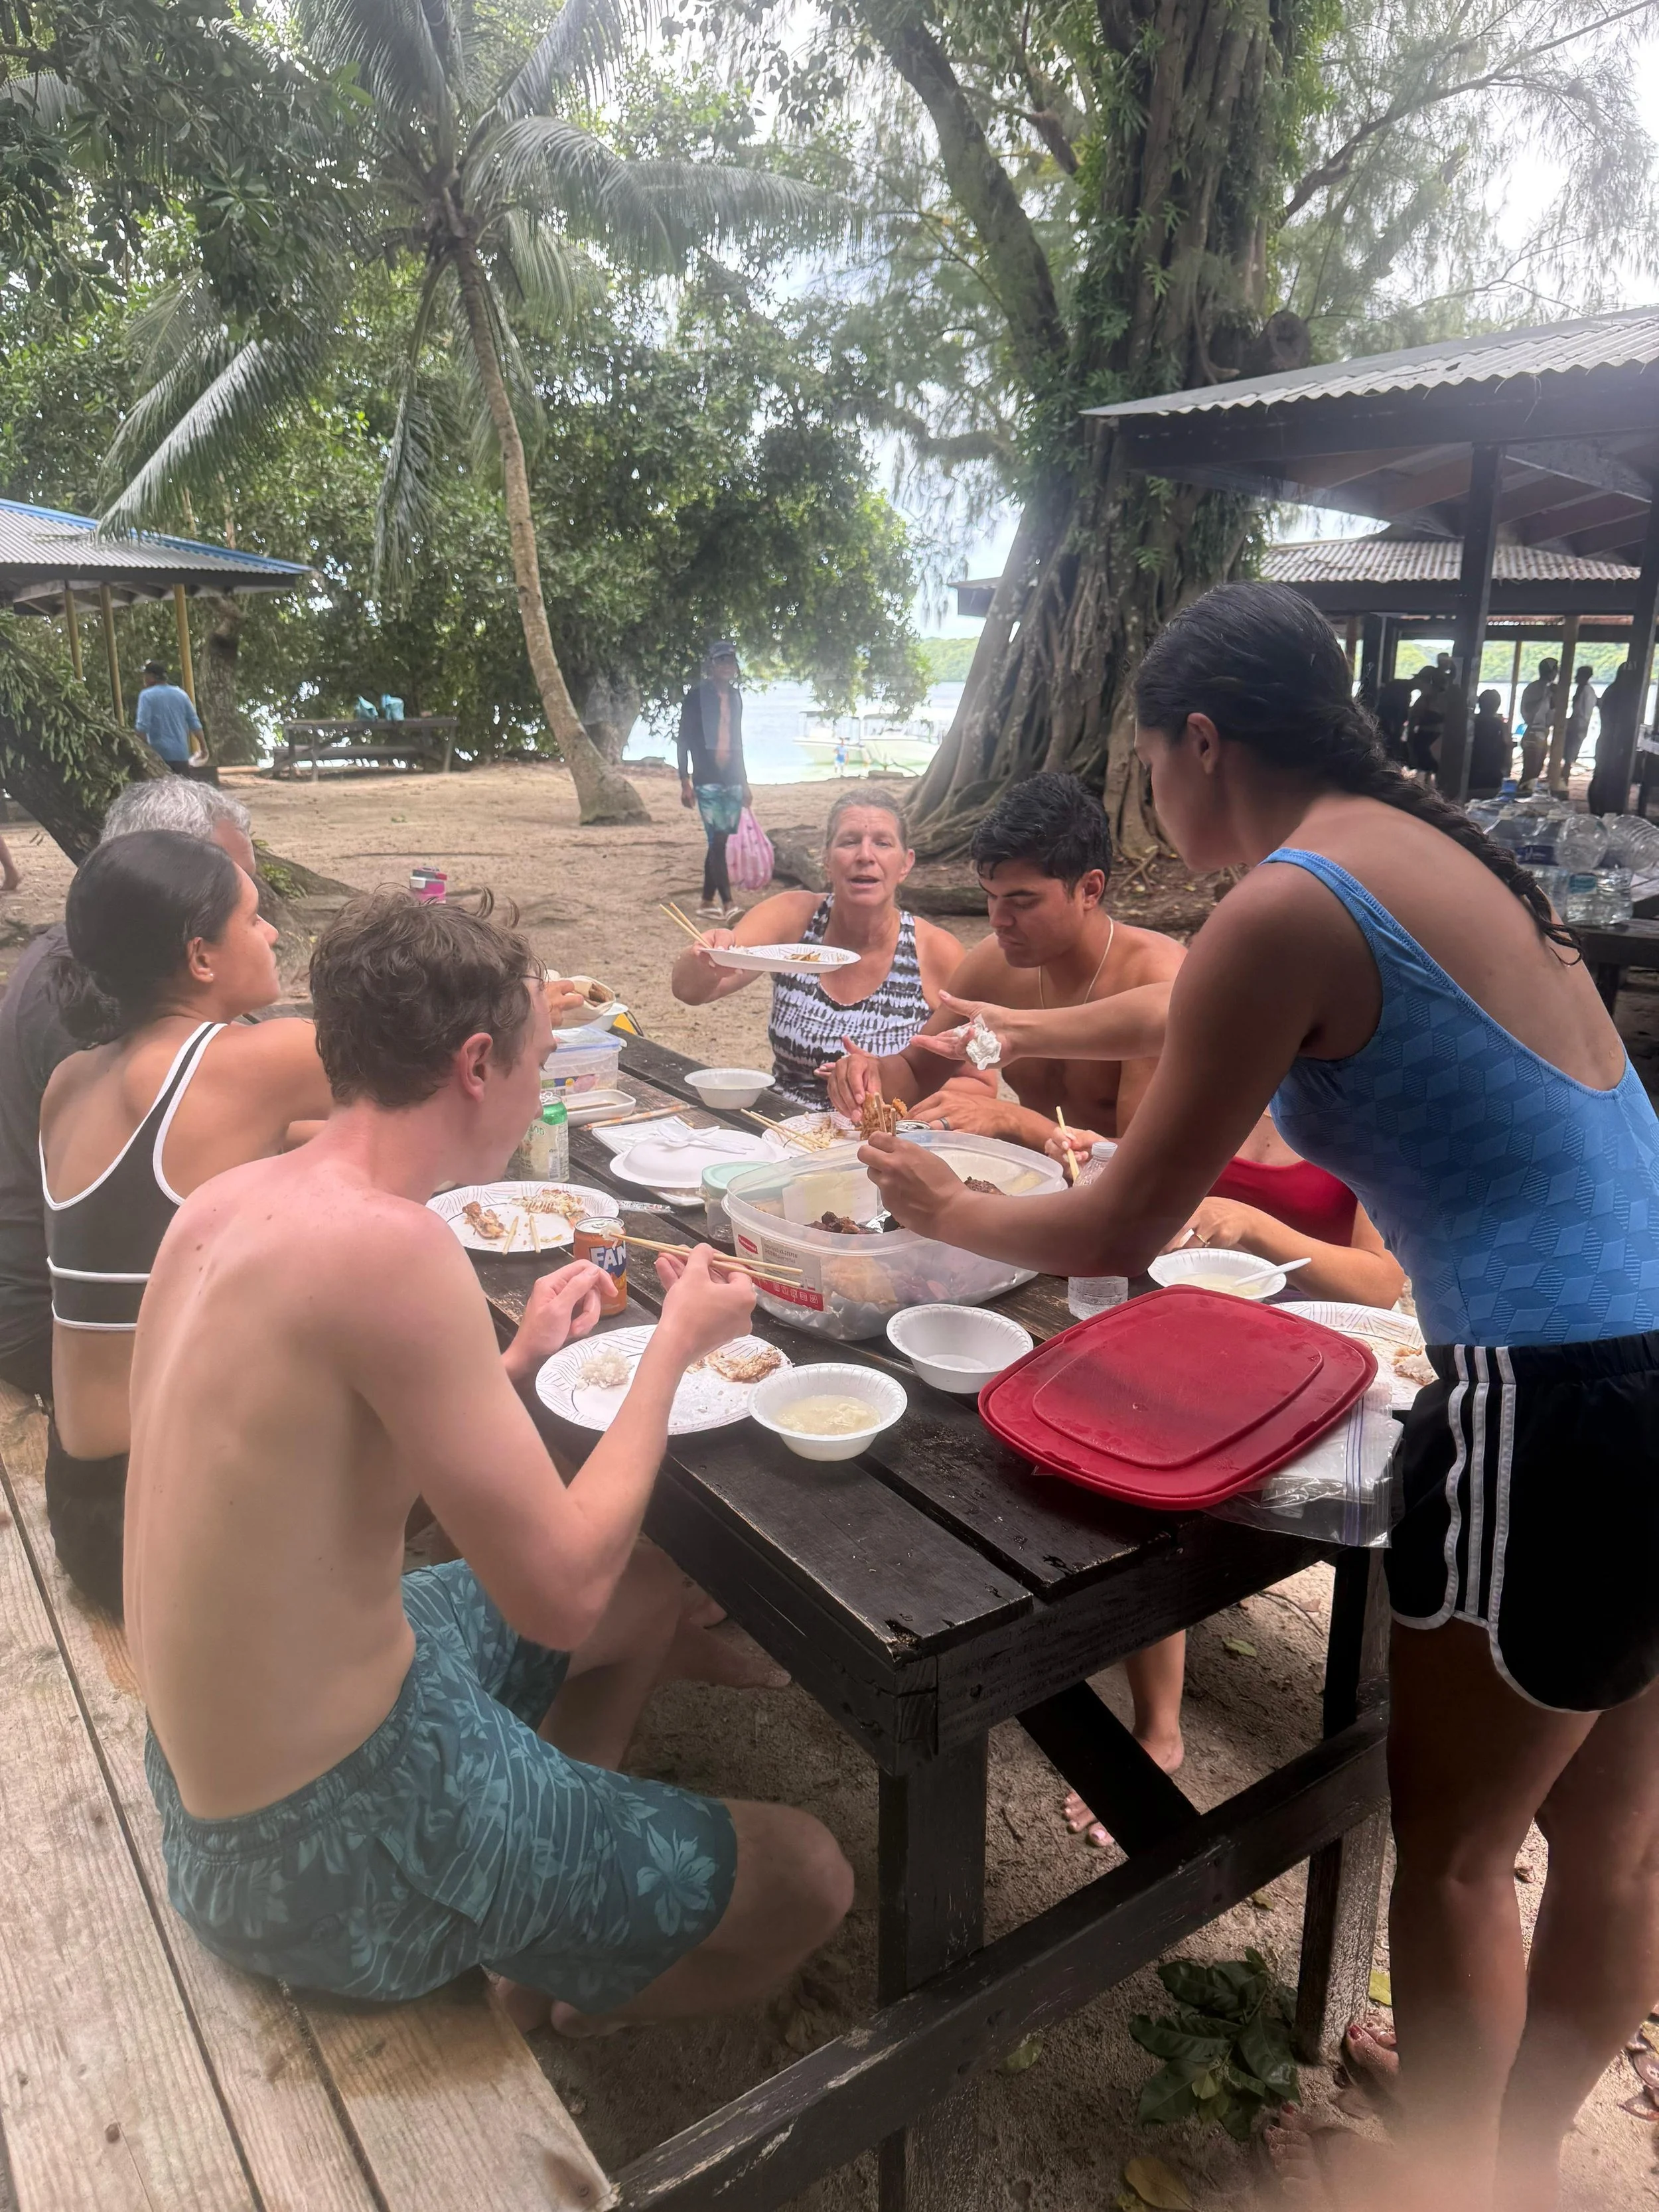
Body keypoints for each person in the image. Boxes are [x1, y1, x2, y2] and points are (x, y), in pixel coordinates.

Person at [858, 580, 1659, 2212]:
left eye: (1152, 764)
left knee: (1446, 1862)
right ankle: (1507, 2156)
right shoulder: (1413, 854)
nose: (1154, 795)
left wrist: (940, 1212)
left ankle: (1455, 2188)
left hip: (1565, 1404)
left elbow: (1116, 1222)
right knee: (1614, 1847)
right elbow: (1164, 1007)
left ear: (1200, 743)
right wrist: (987, 1045)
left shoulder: (1289, 903)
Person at [128, 892, 852, 2035]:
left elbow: (318, 1471)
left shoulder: (228, 1203)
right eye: (537, 1056)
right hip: (322, 1842)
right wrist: (673, 1345)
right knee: (810, 1873)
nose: (538, 1081)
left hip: (213, 1775)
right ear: (477, 1061)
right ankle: (555, 1989)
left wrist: (507, 1362)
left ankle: (546, 1914)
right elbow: (556, 1597)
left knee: (649, 1587)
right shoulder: (392, 1248)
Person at [38, 831, 332, 1611]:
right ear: (201, 957)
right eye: (254, 917)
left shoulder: (74, 1078)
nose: (271, 933)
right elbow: (422, 1080)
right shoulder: (253, 1061)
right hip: (165, 1516)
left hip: (83, 1498)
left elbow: (269, 1138)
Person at [0, 779, 260, 1406]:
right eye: (243, 903)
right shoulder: (93, 1007)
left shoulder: (94, 963)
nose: (266, 922)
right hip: (56, 1326)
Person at [822, 773, 1185, 1148]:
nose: (998, 920)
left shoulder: (1157, 983)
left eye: (1022, 902)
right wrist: (871, 1075)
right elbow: (916, 1070)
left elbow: (1148, 1164)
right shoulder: (996, 965)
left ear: (1089, 889)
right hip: (1044, 1182)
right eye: (991, 897)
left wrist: (1011, 1120)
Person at [670, 790, 962, 1110]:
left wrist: (891, 1086)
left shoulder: (935, 952)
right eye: (849, 842)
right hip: (783, 1127)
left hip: (883, 1137)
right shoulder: (794, 918)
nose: (865, 855)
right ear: (826, 859)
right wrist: (707, 957)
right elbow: (690, 991)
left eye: (883, 843)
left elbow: (977, 1082)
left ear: (906, 863)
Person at [677, 642, 750, 921]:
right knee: (716, 839)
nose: (726, 665)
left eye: (730, 660)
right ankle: (729, 903)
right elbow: (683, 739)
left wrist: (744, 782)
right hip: (705, 777)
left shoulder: (735, 697)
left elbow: (738, 740)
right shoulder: (696, 697)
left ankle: (707, 900)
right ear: (711, 665)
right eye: (721, 661)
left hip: (731, 777)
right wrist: (684, 779)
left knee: (720, 840)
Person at [135, 660, 205, 772]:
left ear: (153, 677)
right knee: (181, 788)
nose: (144, 679)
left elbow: (142, 729)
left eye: (146, 676)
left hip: (158, 757)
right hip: (181, 755)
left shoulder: (146, 696)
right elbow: (194, 723)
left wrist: (145, 754)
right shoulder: (181, 694)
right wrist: (204, 748)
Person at [1516, 656, 1559, 792]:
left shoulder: (1550, 689)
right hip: (1534, 732)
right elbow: (1529, 711)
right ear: (1550, 672)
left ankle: (1525, 796)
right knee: (1530, 772)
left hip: (1543, 732)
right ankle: (1521, 797)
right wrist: (1547, 695)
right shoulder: (1534, 688)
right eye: (1555, 671)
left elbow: (1552, 711)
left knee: (1536, 772)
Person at [1467, 688, 1512, 797]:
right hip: (1493, 777)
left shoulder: (1471, 722)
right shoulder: (1501, 726)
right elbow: (1508, 748)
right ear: (1497, 706)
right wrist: (1507, 771)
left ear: (1479, 704)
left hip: (1470, 776)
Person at [1374, 670, 1417, 765]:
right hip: (1389, 724)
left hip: (1387, 723)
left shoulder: (1399, 685)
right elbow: (1396, 710)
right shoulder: (1401, 689)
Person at [1564, 663, 1597, 773]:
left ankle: (1564, 777)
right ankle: (1563, 776)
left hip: (1579, 725)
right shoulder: (1586, 690)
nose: (1575, 678)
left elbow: (1580, 712)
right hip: (1579, 724)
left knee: (1569, 754)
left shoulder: (1586, 691)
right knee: (1568, 753)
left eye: (1578, 675)